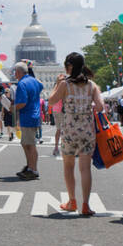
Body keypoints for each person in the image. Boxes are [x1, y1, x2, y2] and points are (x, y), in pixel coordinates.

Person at [48, 53, 103, 216]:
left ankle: (72, 201)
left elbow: (51, 101)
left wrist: (56, 84)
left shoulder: (65, 84)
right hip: (87, 130)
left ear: (69, 67)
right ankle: (86, 205)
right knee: (85, 168)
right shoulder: (92, 85)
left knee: (68, 166)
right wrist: (87, 109)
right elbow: (100, 106)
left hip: (70, 131)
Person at [13, 62, 43, 180]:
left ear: (19, 72)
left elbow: (22, 102)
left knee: (30, 144)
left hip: (28, 115)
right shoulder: (34, 81)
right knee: (26, 143)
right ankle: (30, 166)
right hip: (35, 114)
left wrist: (13, 107)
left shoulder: (21, 83)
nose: (14, 74)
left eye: (15, 72)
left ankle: (33, 169)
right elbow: (41, 86)